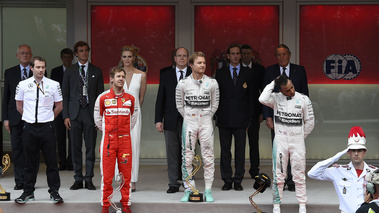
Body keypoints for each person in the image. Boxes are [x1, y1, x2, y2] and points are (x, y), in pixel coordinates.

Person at [259, 75, 314, 213]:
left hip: (297, 141)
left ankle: (302, 204)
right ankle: (276, 205)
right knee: (278, 174)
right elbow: (262, 98)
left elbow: (310, 122)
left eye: (292, 87)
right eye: (287, 90)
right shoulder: (276, 98)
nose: (291, 91)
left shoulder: (303, 99)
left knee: (299, 173)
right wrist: (273, 82)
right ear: (281, 90)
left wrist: (300, 137)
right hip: (280, 141)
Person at [14, 56, 63, 204]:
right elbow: (19, 106)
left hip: (47, 127)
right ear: (31, 68)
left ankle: (54, 192)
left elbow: (59, 106)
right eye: (38, 67)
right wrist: (29, 118)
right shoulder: (22, 84)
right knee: (29, 162)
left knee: (52, 162)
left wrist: (48, 118)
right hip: (29, 127)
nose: (41, 70)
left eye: (43, 67)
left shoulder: (54, 84)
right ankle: (28, 192)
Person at [262, 43, 309, 191]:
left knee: (295, 151)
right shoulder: (270, 71)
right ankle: (280, 180)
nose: (281, 57)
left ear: (289, 55)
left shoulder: (299, 70)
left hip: (295, 119)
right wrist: (267, 117)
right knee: (279, 151)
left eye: (284, 54)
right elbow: (265, 94)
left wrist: (304, 117)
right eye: (278, 54)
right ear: (275, 57)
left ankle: (292, 181)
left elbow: (305, 94)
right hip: (278, 119)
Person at [176, 51, 219, 202]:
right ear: (191, 65)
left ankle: (208, 190)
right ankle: (189, 189)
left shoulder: (212, 82)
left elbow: (215, 103)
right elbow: (179, 105)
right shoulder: (183, 83)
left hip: (206, 122)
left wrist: (207, 115)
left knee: (208, 156)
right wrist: (189, 116)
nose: (203, 65)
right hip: (189, 122)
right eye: (199, 63)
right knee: (187, 156)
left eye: (204, 63)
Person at [62, 41, 104, 190]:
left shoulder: (96, 71)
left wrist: (99, 117)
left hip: (90, 113)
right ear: (76, 53)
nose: (84, 53)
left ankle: (89, 179)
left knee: (90, 148)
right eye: (81, 51)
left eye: (86, 50)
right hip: (74, 113)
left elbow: (100, 97)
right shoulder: (70, 71)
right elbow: (65, 95)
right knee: (75, 147)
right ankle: (78, 178)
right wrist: (66, 116)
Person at [94, 67, 136, 213]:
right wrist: (107, 132)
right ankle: (105, 205)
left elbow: (133, 119)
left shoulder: (130, 98)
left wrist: (123, 133)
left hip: (125, 141)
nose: (121, 79)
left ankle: (126, 204)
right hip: (108, 142)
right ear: (111, 78)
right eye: (118, 76)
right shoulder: (103, 98)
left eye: (123, 77)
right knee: (107, 175)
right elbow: (98, 119)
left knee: (126, 175)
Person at [215, 43, 256, 191]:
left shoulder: (248, 73)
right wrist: (215, 116)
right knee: (225, 151)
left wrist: (250, 118)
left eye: (238, 53)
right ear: (228, 56)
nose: (235, 56)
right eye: (232, 53)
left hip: (241, 118)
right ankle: (227, 179)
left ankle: (238, 179)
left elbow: (252, 97)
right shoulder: (220, 73)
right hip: (224, 118)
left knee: (240, 151)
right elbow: (216, 97)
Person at [308, 126, 377, 213]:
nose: (356, 153)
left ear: (364, 152)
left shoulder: (374, 172)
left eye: (359, 150)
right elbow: (312, 173)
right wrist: (336, 157)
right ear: (348, 152)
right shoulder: (339, 171)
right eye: (353, 150)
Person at [155, 47, 192, 193]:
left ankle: (187, 181)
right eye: (179, 56)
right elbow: (160, 98)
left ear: (188, 58)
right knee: (172, 152)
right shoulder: (166, 75)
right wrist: (158, 119)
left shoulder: (194, 74)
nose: (182, 58)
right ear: (175, 58)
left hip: (190, 119)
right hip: (170, 118)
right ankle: (173, 183)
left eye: (184, 56)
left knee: (188, 152)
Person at [2, 44, 33, 190]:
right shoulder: (9, 72)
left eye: (27, 53)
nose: (25, 55)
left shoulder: (37, 71)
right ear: (17, 56)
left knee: (30, 149)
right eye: (22, 53)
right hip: (14, 118)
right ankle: (19, 180)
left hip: (32, 118)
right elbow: (6, 97)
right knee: (17, 149)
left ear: (31, 55)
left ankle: (29, 180)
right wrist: (5, 119)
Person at [119, 45, 147, 192]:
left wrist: (133, 112)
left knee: (133, 147)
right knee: (119, 147)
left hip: (134, 115)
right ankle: (122, 179)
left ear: (134, 58)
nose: (127, 59)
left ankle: (132, 180)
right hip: (117, 115)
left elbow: (141, 98)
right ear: (121, 58)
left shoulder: (141, 75)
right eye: (124, 56)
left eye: (129, 56)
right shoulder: (117, 74)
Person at [241, 44, 265, 178]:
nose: (245, 56)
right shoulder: (236, 70)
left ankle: (254, 170)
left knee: (253, 143)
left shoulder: (260, 70)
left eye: (248, 53)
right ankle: (240, 170)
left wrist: (263, 111)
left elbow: (263, 92)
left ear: (252, 55)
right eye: (243, 53)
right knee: (240, 144)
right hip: (239, 113)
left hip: (255, 112)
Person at [51, 48, 74, 171]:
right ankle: (62, 162)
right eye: (65, 57)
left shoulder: (75, 70)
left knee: (72, 136)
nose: (67, 59)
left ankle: (71, 162)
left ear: (72, 58)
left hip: (72, 108)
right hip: (58, 107)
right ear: (61, 58)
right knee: (59, 136)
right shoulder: (55, 71)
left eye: (69, 57)